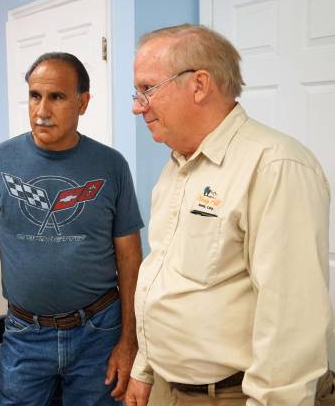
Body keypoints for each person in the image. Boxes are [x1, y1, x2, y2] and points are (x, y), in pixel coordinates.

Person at [125, 24, 335, 406]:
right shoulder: (177, 165)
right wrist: (145, 368)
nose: (138, 106)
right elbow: (162, 275)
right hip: (169, 387)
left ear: (199, 84)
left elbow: (291, 321)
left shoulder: (276, 165)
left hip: (233, 395)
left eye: (147, 89)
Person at [0, 52, 144, 405]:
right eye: (34, 96)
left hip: (99, 333)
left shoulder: (111, 166)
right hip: (24, 334)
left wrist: (129, 341)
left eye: (57, 97)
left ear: (83, 102)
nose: (42, 110)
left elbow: (131, 257)